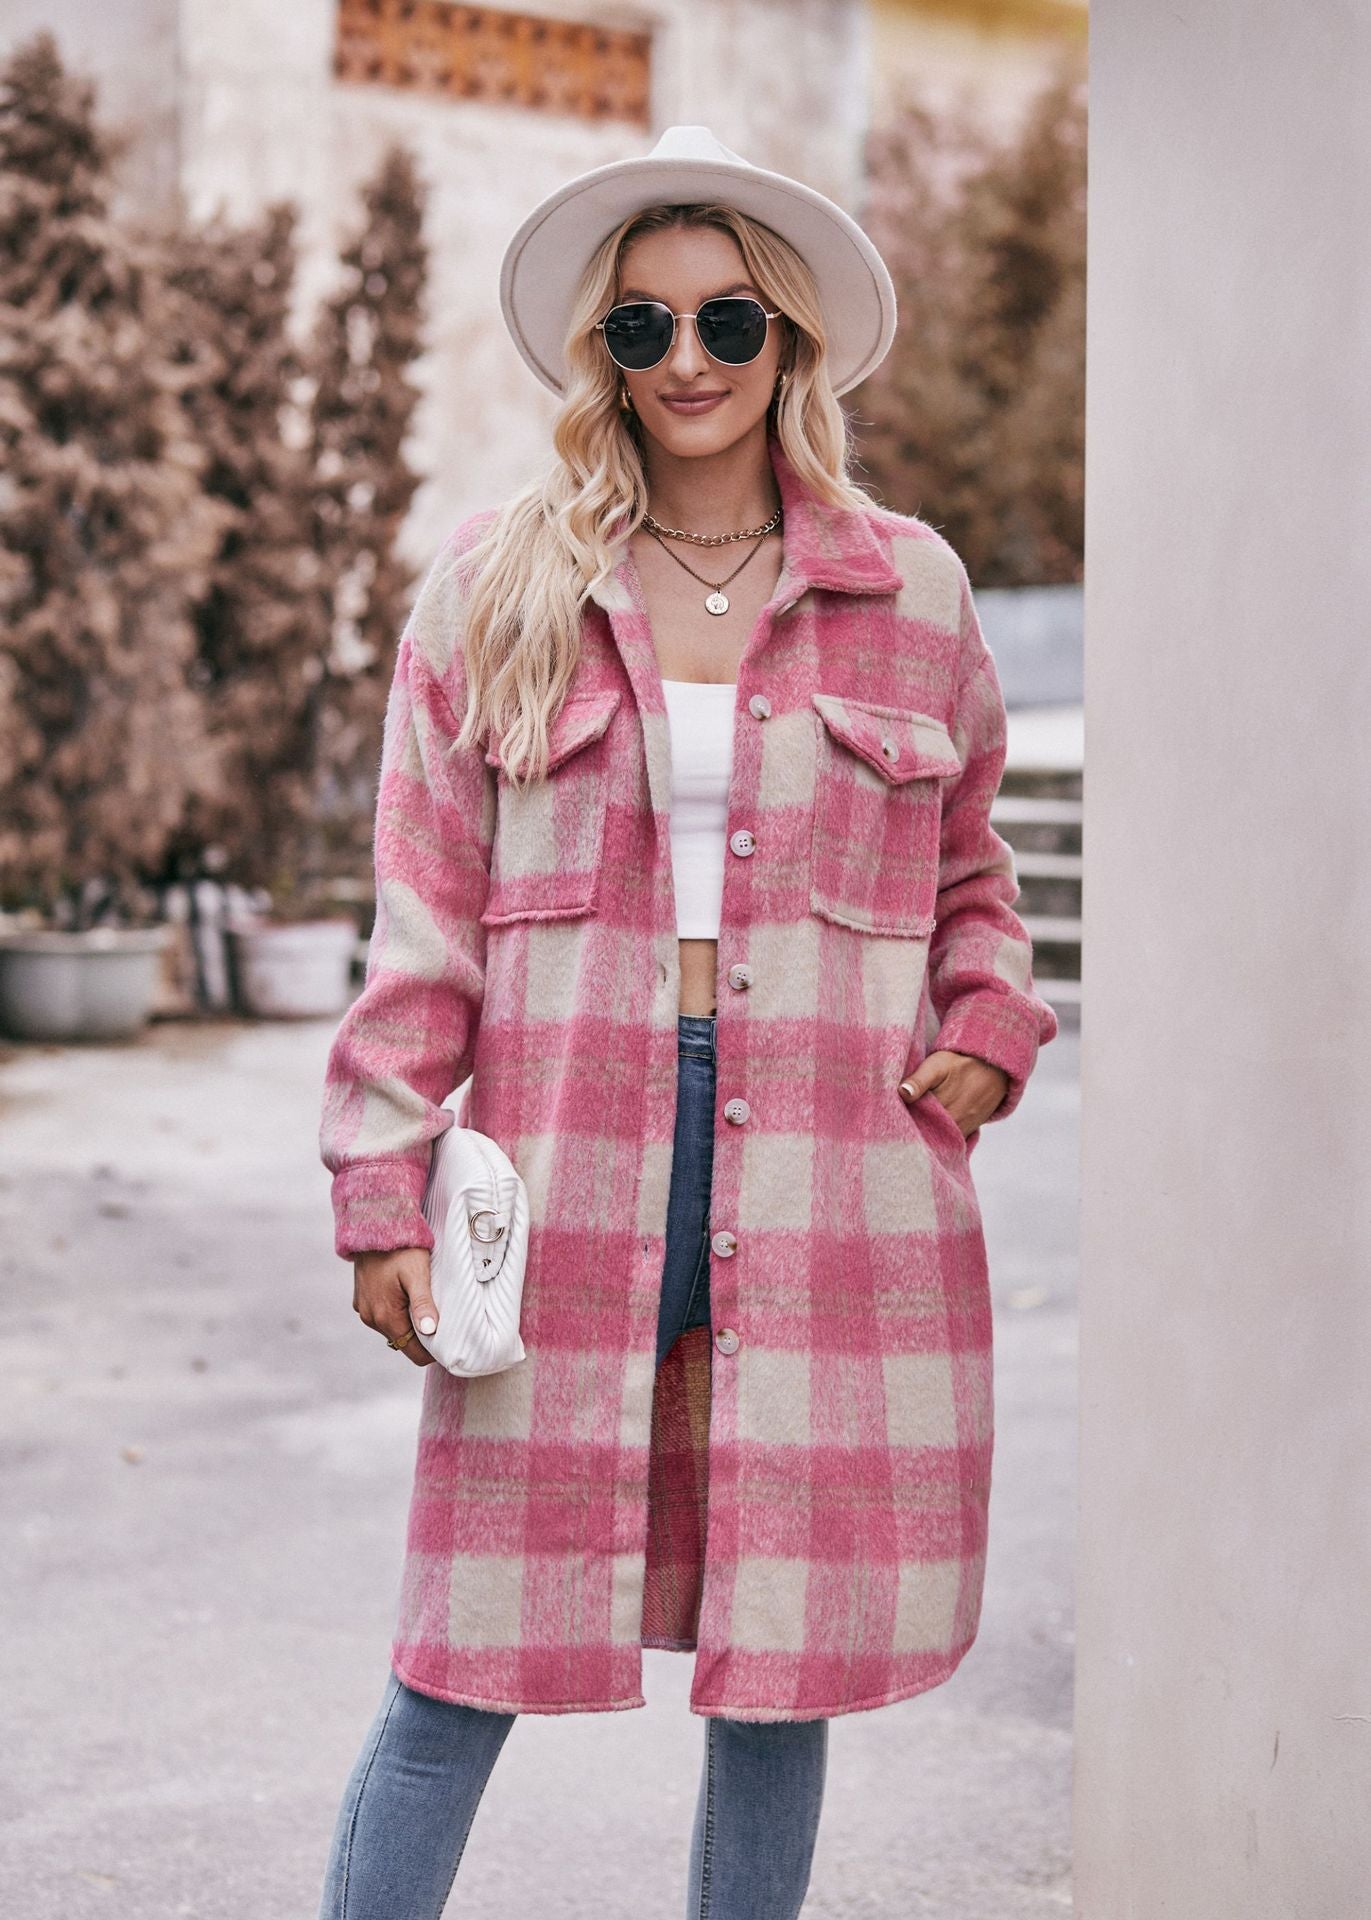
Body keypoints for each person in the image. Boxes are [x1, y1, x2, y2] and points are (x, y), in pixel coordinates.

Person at [315, 124, 1059, 1920]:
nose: (689, 359)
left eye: (728, 318)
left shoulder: (913, 591)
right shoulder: (496, 588)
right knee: (460, 1651)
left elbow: (975, 872)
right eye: (642, 328)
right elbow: (422, 923)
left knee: (776, 1670)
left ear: (788, 337)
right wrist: (380, 1183)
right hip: (572, 1159)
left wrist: (988, 1016)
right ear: (604, 355)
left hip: (833, 1165)